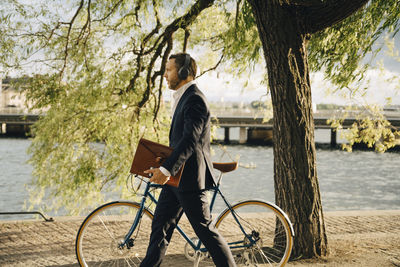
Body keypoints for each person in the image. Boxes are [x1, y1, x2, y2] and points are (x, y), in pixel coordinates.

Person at [140, 53, 236, 267]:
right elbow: (179, 142)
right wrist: (163, 164)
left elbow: (190, 140)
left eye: (169, 70)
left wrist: (165, 170)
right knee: (160, 229)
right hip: (175, 179)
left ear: (184, 72)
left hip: (190, 180)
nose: (164, 74)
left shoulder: (195, 99)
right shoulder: (183, 97)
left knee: (206, 232)